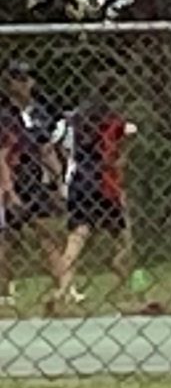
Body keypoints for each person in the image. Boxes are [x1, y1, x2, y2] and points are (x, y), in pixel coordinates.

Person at [51, 85, 136, 310]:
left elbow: (54, 141)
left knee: (76, 238)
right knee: (123, 238)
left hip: (79, 181)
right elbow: (131, 130)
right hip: (104, 183)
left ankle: (63, 290)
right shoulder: (111, 122)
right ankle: (122, 286)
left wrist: (64, 159)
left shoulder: (71, 123)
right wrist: (123, 154)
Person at [2, 60, 63, 311]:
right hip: (11, 177)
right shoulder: (5, 115)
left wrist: (59, 180)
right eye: (20, 79)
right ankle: (4, 289)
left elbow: (46, 149)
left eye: (28, 78)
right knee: (7, 238)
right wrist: (9, 190)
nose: (26, 84)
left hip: (33, 179)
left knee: (48, 233)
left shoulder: (39, 113)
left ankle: (63, 286)